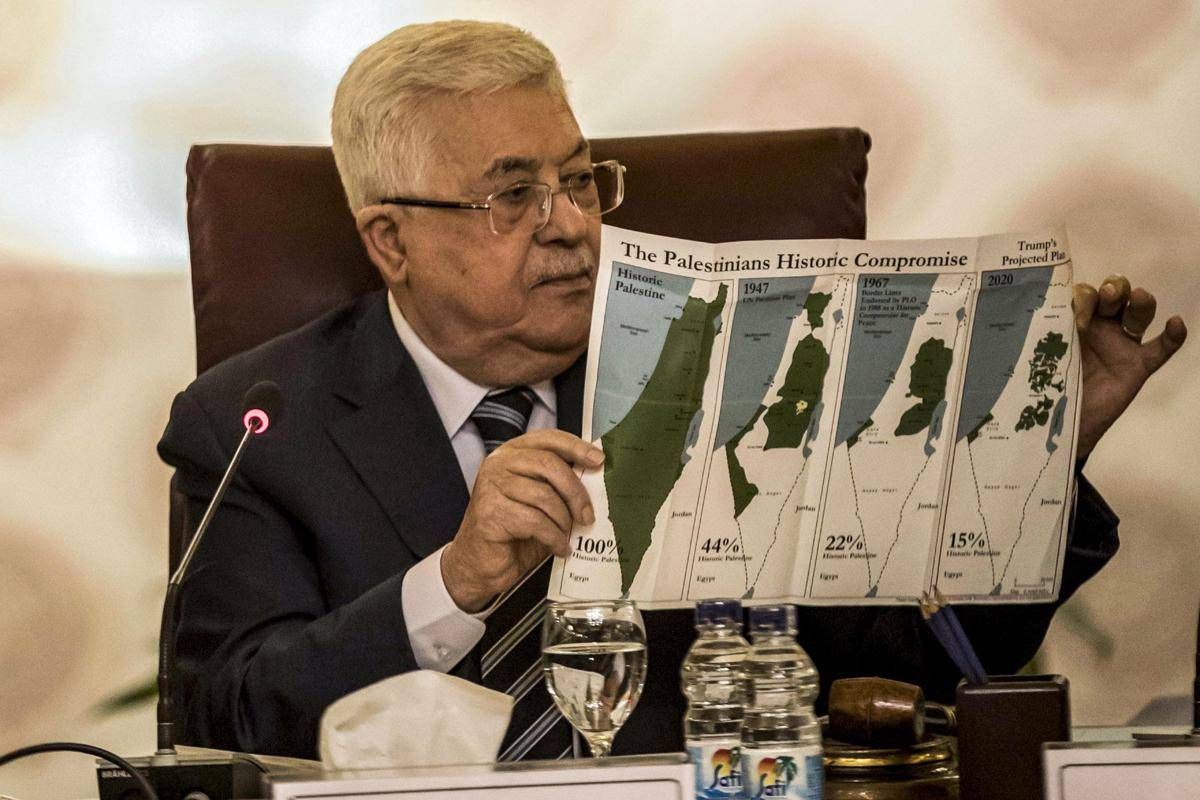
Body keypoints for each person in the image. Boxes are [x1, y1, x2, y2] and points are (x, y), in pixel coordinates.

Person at [158, 20, 1187, 760]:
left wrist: (1037, 456)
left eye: (578, 180)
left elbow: (917, 667)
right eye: (514, 194)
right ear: (391, 241)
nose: (571, 225)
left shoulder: (718, 371)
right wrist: (457, 581)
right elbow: (222, 723)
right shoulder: (257, 423)